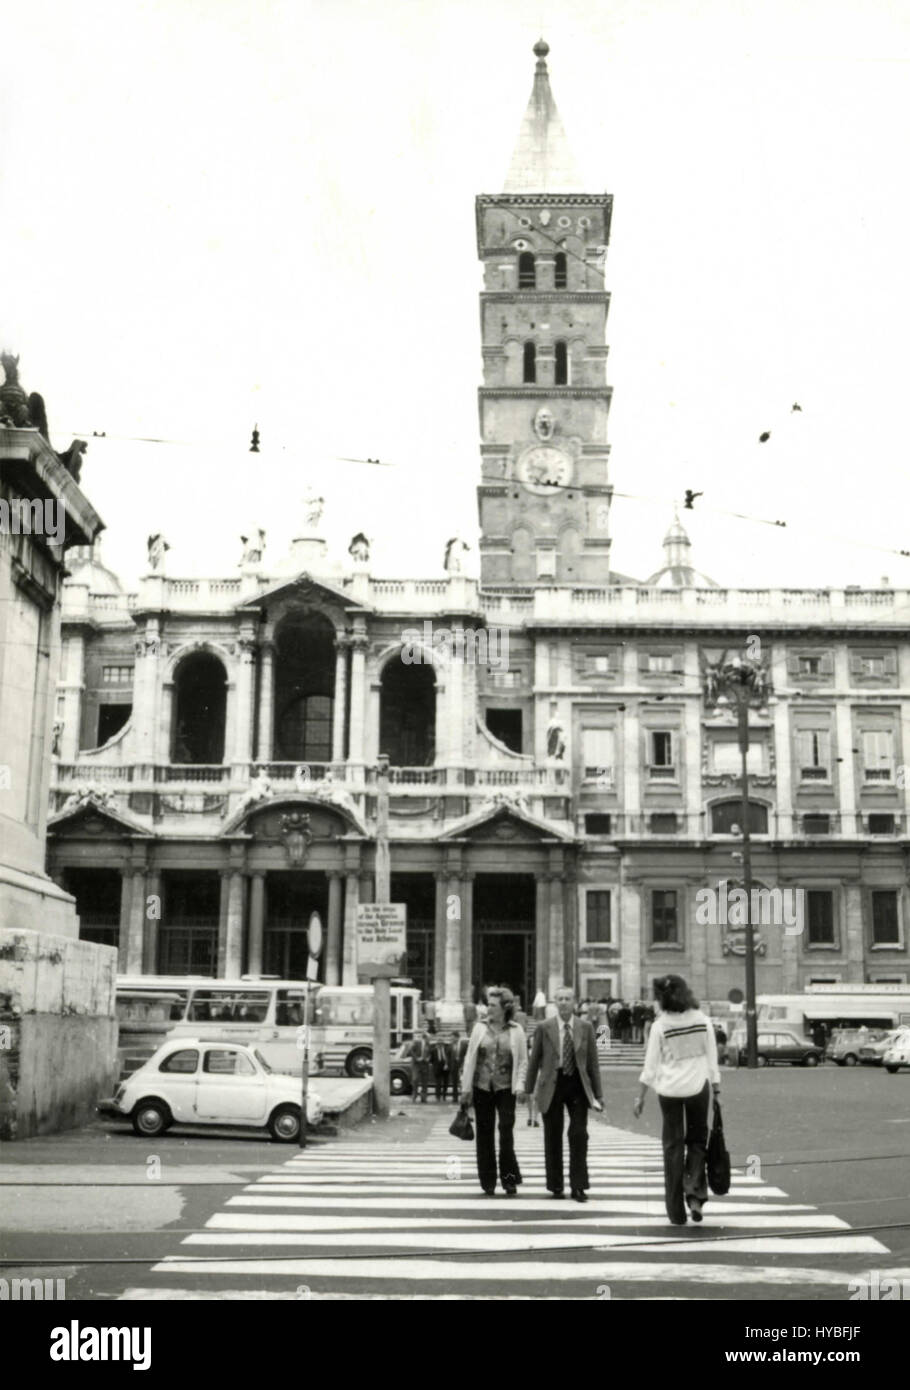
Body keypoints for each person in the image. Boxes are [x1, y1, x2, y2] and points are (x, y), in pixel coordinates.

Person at [632, 974, 721, 1226]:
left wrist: (640, 1096)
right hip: (697, 1088)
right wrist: (717, 1091)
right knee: (696, 1143)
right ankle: (694, 1194)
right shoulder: (703, 1021)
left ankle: (675, 1211)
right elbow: (712, 1060)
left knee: (672, 1147)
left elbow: (650, 1067)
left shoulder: (660, 1025)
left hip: (669, 1091)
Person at [525, 985, 604, 1202]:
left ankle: (578, 1186)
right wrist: (527, 1088)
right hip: (552, 1083)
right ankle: (556, 1184)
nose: (563, 1002)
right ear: (554, 1002)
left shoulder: (586, 1027)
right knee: (552, 1135)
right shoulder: (544, 1027)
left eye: (567, 998)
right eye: (559, 999)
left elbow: (593, 1063)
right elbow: (534, 1061)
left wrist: (599, 1094)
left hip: (577, 1084)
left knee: (579, 1134)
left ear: (575, 1002)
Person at [460, 986, 527, 1196]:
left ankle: (509, 1179)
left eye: (492, 1005)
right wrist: (465, 1088)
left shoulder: (517, 1030)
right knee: (484, 1134)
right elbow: (470, 1058)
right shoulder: (479, 1028)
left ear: (504, 1008)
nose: (487, 1008)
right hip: (482, 1087)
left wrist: (521, 1085)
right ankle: (488, 1181)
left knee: (506, 1132)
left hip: (506, 1088)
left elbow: (524, 1060)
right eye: (488, 1004)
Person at [406, 1029, 431, 1103]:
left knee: (425, 1081)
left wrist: (428, 1058)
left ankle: (423, 1097)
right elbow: (410, 1050)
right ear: (425, 1038)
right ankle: (414, 1094)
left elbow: (429, 1053)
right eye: (429, 1038)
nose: (429, 1040)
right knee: (415, 1079)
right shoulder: (417, 1042)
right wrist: (417, 1058)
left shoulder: (428, 1044)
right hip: (416, 1064)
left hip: (424, 1064)